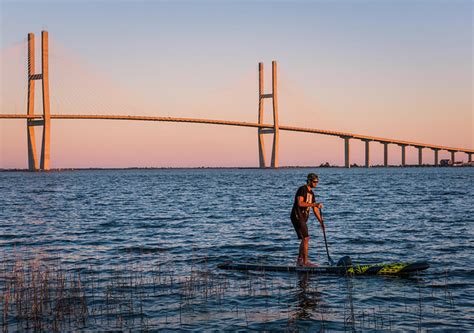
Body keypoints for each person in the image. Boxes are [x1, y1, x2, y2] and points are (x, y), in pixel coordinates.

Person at [290, 173, 324, 267]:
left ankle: (300, 261)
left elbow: (315, 209)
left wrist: (321, 221)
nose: (316, 183)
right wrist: (314, 204)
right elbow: (300, 203)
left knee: (305, 239)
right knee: (306, 238)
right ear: (309, 181)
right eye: (314, 181)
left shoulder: (312, 194)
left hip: (303, 218)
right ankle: (305, 262)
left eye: (317, 181)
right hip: (297, 216)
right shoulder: (302, 189)